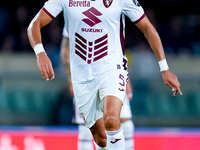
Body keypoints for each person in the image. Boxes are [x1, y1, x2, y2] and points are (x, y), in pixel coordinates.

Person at [27, 0, 182, 149]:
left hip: (112, 68)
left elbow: (148, 28)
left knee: (112, 119)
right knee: (100, 138)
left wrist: (164, 68)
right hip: (82, 75)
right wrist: (40, 53)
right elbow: (34, 25)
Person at [60, 25, 134, 150]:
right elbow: (65, 48)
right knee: (87, 126)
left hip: (112, 75)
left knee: (125, 121)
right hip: (85, 77)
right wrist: (71, 78)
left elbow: (117, 48)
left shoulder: (114, 9)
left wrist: (126, 78)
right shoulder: (74, 10)